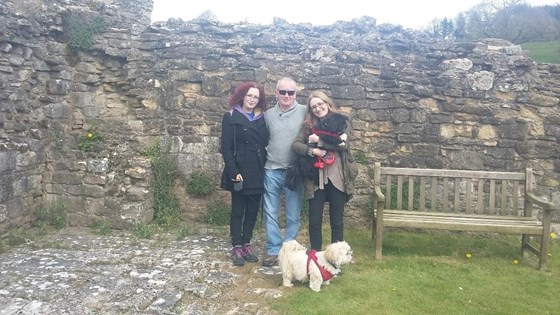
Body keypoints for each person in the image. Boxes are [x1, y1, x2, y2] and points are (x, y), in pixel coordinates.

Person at [291, 90, 358, 251]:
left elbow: (343, 145)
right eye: (313, 107)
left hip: (338, 177)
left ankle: (336, 258)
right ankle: (315, 257)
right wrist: (312, 151)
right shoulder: (308, 125)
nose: (317, 108)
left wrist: (319, 141)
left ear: (327, 103)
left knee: (337, 221)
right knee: (314, 221)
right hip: (316, 179)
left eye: (320, 104)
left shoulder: (342, 121)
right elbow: (295, 145)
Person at [220, 81, 269, 266]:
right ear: (242, 96)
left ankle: (247, 243)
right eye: (249, 95)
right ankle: (237, 246)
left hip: (257, 168)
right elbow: (226, 147)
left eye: (256, 97)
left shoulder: (262, 118)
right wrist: (233, 171)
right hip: (239, 168)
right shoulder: (231, 116)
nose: (252, 99)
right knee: (238, 210)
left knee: (252, 210)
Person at [261, 77, 307, 267]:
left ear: (296, 94)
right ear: (276, 93)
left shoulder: (305, 111)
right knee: (270, 212)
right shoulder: (268, 115)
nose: (287, 96)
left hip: (294, 171)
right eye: (283, 92)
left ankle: (289, 250)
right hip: (271, 168)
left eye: (291, 92)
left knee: (293, 214)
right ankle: (273, 250)